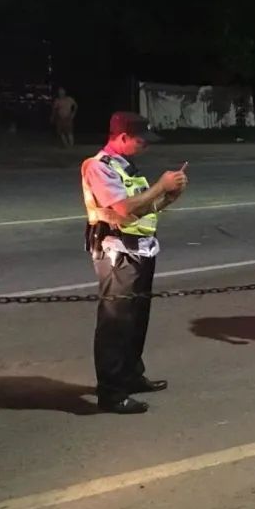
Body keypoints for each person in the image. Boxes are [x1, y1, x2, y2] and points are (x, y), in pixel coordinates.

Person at [81, 112, 188, 414]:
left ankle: (131, 375)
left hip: (141, 250)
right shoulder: (98, 167)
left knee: (136, 319)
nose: (146, 147)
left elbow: (143, 209)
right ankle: (112, 393)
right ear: (123, 137)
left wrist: (170, 196)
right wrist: (160, 185)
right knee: (115, 324)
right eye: (142, 141)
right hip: (117, 253)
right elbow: (123, 207)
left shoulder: (126, 167)